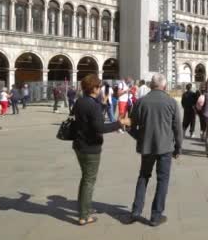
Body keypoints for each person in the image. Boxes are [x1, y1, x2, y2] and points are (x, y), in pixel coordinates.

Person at [72, 74, 130, 226]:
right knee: (89, 180)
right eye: (98, 87)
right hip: (90, 147)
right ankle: (84, 216)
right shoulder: (92, 104)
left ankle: (84, 207)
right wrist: (120, 123)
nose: (100, 89)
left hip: (79, 145)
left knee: (85, 178)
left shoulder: (80, 101)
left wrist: (103, 105)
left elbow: (91, 117)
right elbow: (100, 127)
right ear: (94, 88)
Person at [128, 74, 182, 227]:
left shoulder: (141, 102)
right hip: (165, 148)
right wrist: (178, 147)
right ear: (164, 86)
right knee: (162, 180)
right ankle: (156, 216)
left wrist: (139, 137)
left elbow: (130, 125)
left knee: (143, 176)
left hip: (147, 147)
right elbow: (177, 128)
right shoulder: (171, 102)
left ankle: (136, 211)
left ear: (151, 85)